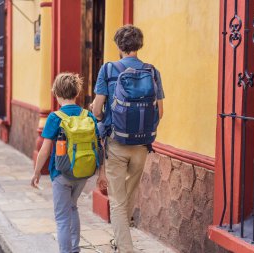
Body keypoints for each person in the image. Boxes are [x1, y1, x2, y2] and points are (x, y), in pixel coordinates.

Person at [92, 25, 164, 253]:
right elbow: (160, 111)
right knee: (129, 193)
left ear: (118, 46)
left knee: (117, 200)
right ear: (139, 45)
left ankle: (125, 248)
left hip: (117, 143)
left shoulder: (108, 69)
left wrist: (104, 118)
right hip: (142, 145)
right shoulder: (152, 71)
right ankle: (120, 239)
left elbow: (96, 109)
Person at [30, 73, 107, 253]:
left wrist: (36, 172)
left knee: (62, 217)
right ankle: (74, 249)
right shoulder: (88, 115)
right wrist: (101, 173)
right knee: (72, 207)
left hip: (61, 174)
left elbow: (45, 149)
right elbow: (99, 146)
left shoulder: (55, 117)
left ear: (56, 93)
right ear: (77, 92)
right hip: (83, 173)